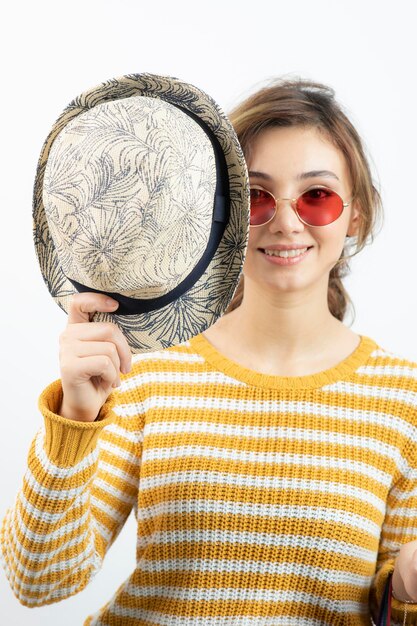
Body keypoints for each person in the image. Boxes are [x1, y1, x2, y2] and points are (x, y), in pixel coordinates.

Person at [2, 77, 417, 626]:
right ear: (220, 215)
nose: (287, 222)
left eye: (317, 196)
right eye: (258, 197)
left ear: (354, 215)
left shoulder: (404, 398)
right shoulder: (146, 373)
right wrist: (75, 417)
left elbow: (392, 609)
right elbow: (38, 581)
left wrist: (408, 586)